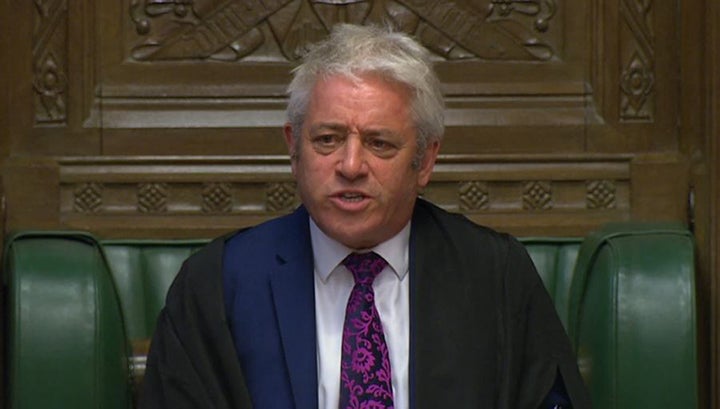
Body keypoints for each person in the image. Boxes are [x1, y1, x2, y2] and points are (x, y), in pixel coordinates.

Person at [140, 24, 591, 409]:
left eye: (379, 143)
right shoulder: (218, 283)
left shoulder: (496, 274)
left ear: (425, 161)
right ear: (293, 149)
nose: (351, 166)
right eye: (328, 139)